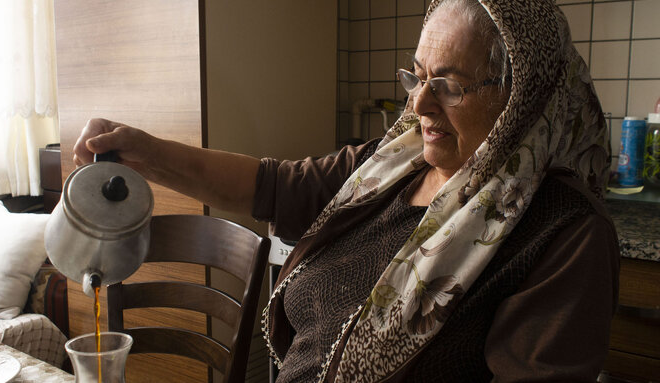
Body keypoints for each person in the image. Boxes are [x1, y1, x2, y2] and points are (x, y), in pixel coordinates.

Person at [73, 0, 619, 381]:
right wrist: (144, 150)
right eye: (417, 76)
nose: (419, 105)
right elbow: (270, 185)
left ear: (519, 98)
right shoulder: (385, 170)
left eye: (449, 86)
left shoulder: (562, 234)